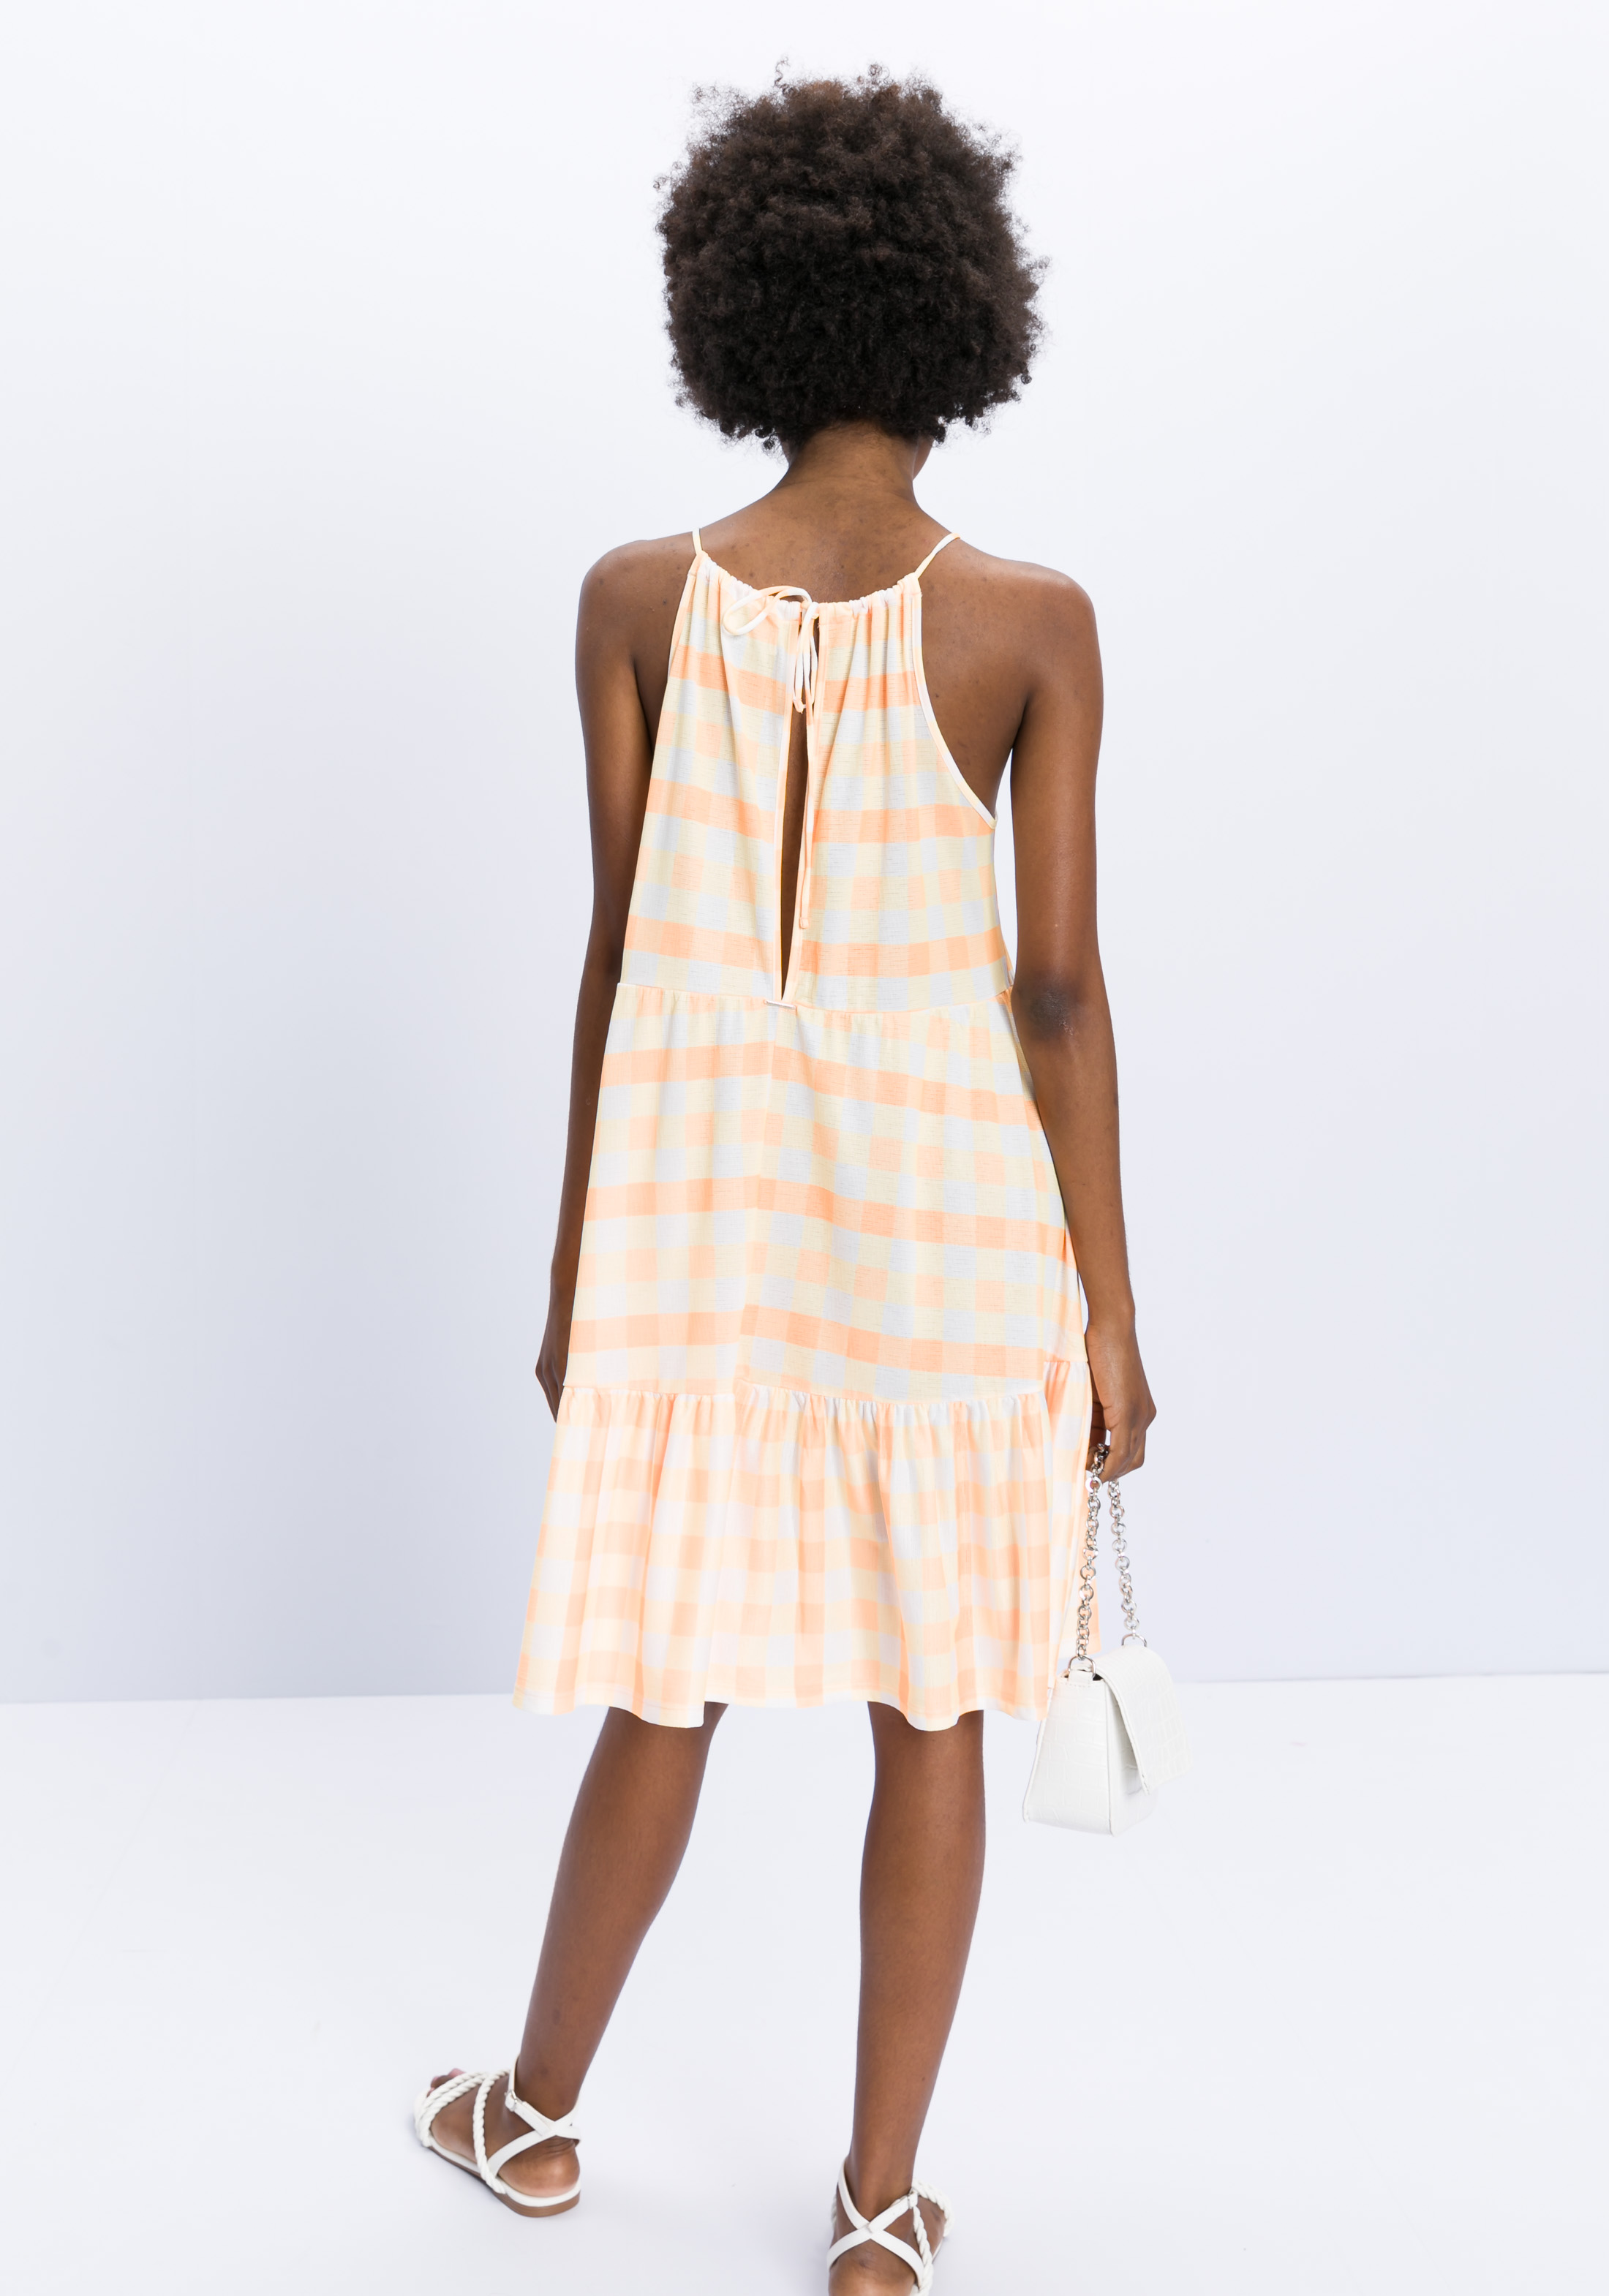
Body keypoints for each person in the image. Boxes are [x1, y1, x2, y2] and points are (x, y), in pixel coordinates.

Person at [415, 68, 1155, 2293]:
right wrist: (1112, 1316)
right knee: (934, 1718)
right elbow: (1056, 993)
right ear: (967, 317)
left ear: (731, 311)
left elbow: (619, 960)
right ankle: (879, 2212)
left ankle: (533, 2115)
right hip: (955, 1253)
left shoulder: (634, 600)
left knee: (672, 1685)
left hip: (708, 1254)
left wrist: (579, 1271)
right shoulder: (1032, 621)